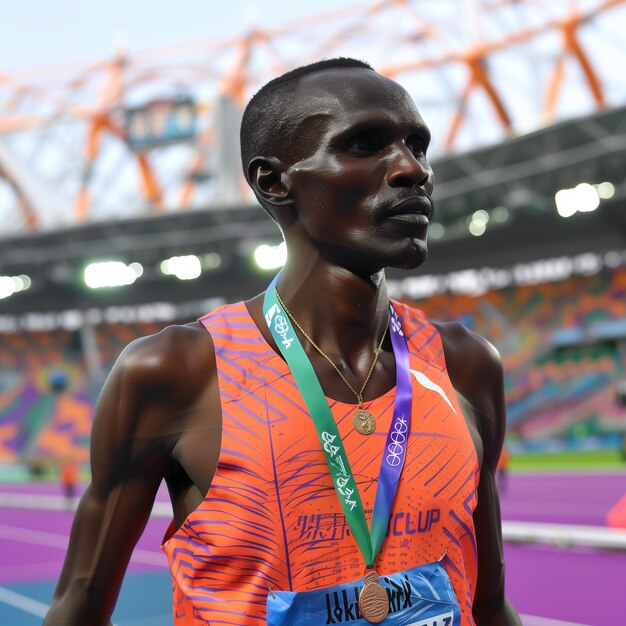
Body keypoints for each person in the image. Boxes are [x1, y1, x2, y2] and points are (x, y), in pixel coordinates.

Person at [44, 58, 520, 626]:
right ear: (273, 181)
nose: (412, 169)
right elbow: (78, 607)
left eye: (418, 145)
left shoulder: (465, 366)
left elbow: (489, 606)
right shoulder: (176, 373)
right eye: (365, 144)